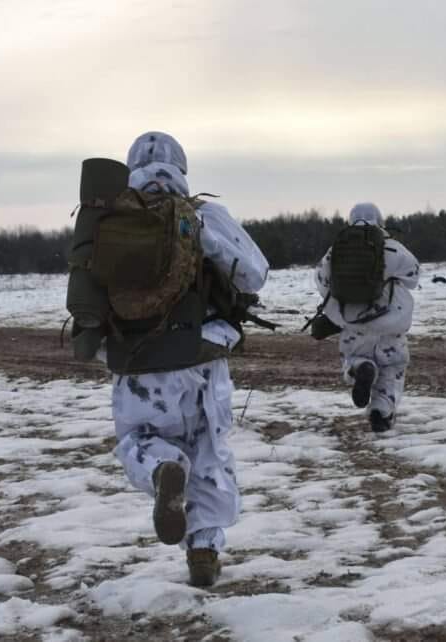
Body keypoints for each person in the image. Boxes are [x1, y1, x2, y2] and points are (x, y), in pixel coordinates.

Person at [109, 131, 269, 587]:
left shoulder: (111, 218)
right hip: (201, 357)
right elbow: (254, 275)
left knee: (138, 438)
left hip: (136, 365)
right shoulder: (203, 214)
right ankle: (204, 550)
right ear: (183, 167)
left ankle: (162, 468)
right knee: (210, 454)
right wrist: (204, 239)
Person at [312, 203, 420, 433]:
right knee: (392, 368)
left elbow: (322, 281)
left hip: (352, 322)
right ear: (380, 220)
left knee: (353, 358)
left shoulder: (337, 249)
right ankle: (381, 412)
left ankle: (362, 368)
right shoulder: (392, 247)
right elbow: (413, 275)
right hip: (391, 322)